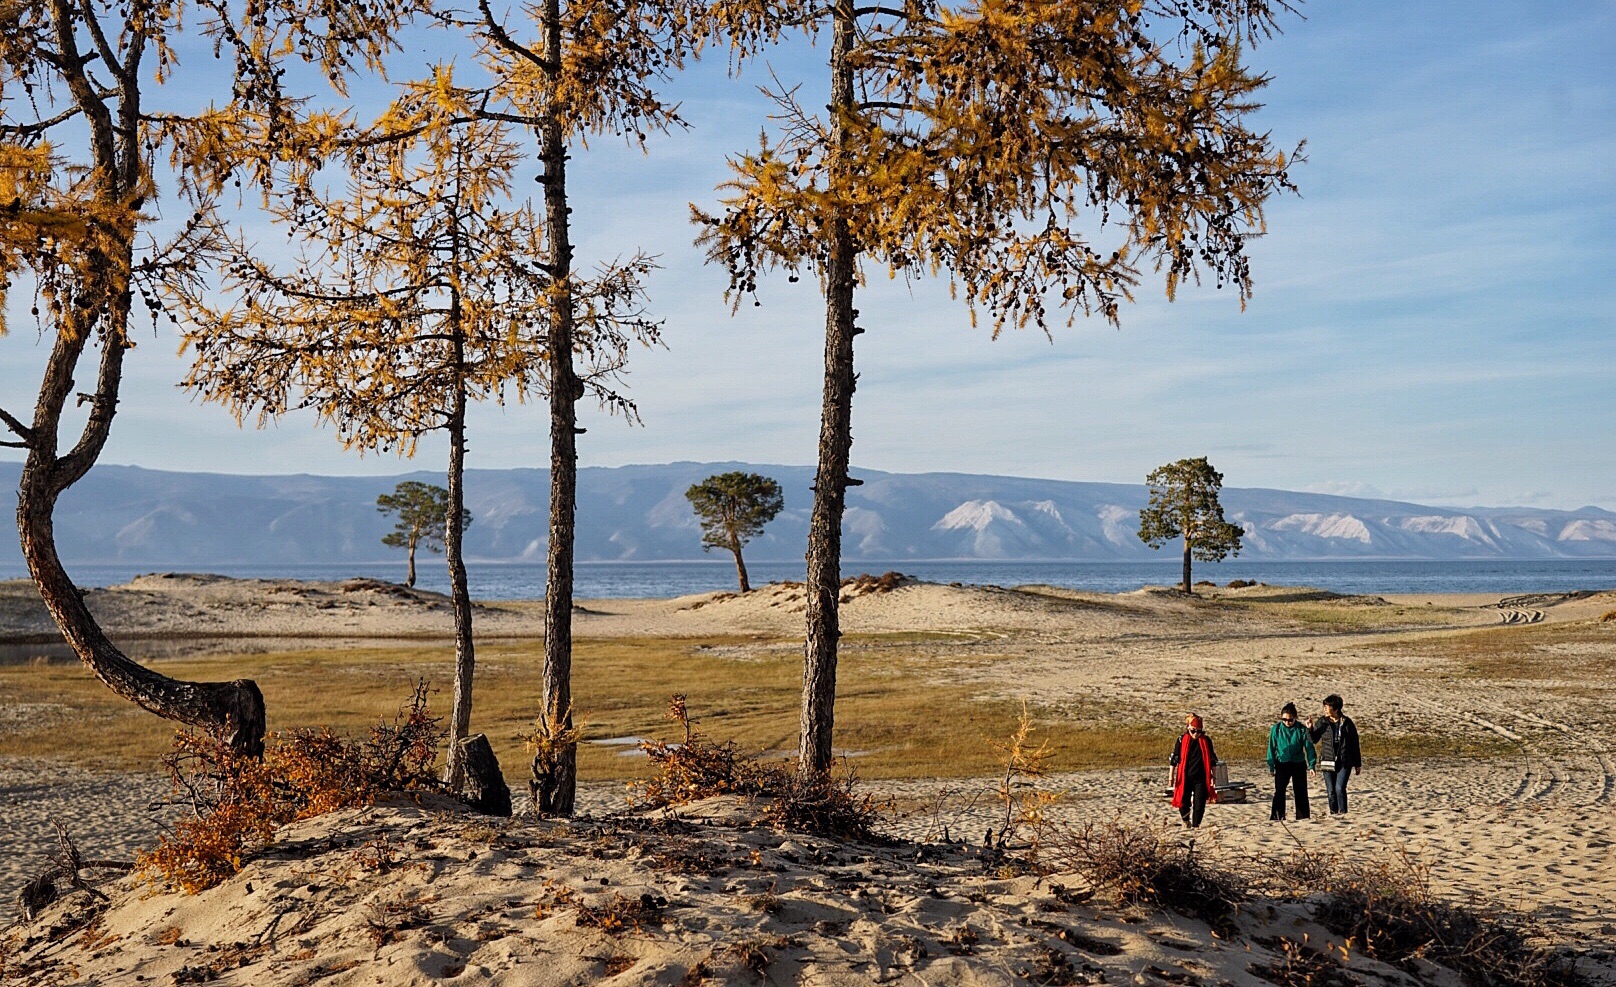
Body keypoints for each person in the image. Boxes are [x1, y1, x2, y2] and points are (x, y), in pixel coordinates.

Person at [1308, 694, 1362, 815]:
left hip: (1344, 761)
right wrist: (1310, 729)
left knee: (1339, 788)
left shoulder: (1347, 723)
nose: (1325, 709)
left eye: (1327, 707)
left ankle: (1343, 814)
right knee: (1331, 791)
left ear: (1336, 709)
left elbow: (1355, 744)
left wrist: (1357, 764)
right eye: (1324, 707)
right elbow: (1313, 740)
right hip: (1328, 759)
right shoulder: (1322, 722)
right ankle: (1333, 813)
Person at [1266, 702, 1316, 821]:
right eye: (1284, 719)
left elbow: (1309, 748)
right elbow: (1271, 748)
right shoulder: (1276, 729)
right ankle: (1277, 816)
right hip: (1282, 763)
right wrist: (1271, 766)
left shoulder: (1301, 729)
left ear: (1295, 718)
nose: (1287, 722)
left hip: (1298, 763)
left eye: (1290, 720)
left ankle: (1303, 817)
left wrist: (1312, 765)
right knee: (1279, 791)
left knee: (1301, 791)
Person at [1169, 714, 1219, 828]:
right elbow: (1174, 759)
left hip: (1201, 777)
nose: (1196, 734)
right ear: (1188, 728)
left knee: (1199, 804)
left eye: (1199, 731)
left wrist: (1213, 777)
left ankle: (1196, 825)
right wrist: (1171, 777)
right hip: (1185, 777)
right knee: (1183, 802)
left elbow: (1212, 760)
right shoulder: (1181, 740)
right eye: (1193, 731)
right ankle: (1186, 820)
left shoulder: (1206, 741)